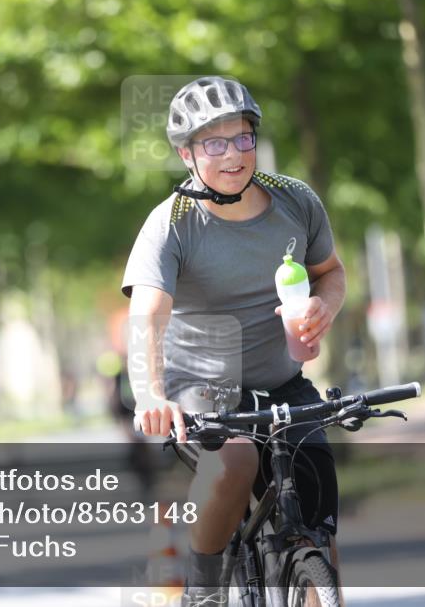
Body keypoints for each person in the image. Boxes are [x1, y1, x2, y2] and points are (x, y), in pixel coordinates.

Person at [122, 77, 346, 606]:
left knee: (317, 500)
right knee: (237, 460)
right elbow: (147, 314)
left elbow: (331, 272)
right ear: (186, 153)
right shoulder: (171, 223)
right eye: (213, 143)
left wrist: (324, 306)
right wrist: (150, 393)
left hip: (282, 382)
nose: (231, 156)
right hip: (202, 386)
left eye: (241, 138)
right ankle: (202, 588)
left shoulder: (297, 200)